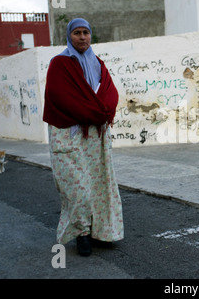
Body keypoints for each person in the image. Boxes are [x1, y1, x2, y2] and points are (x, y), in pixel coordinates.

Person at [43, 18, 124, 256]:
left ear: (91, 35)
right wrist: (94, 112)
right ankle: (82, 234)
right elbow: (62, 97)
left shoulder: (98, 63)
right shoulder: (59, 63)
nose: (82, 37)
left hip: (95, 133)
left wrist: (101, 112)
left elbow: (110, 93)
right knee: (78, 188)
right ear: (69, 36)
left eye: (86, 32)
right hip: (69, 132)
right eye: (77, 33)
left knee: (100, 184)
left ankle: (102, 231)